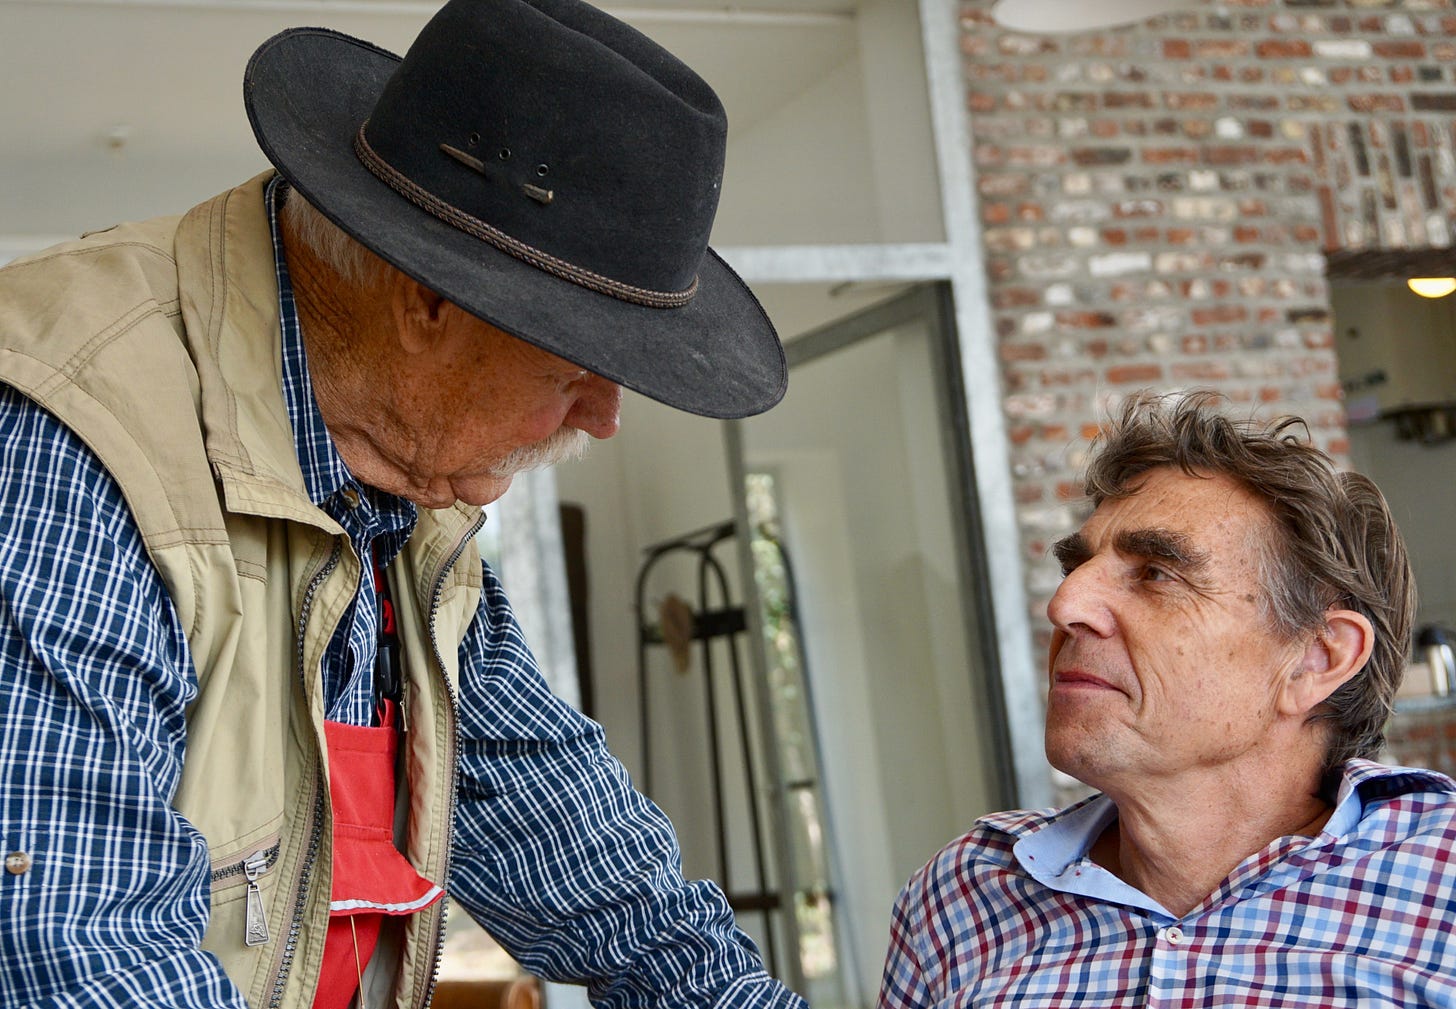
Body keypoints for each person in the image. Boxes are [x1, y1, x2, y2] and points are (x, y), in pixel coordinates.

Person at [0, 2, 802, 1008]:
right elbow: (69, 950)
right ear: (430, 301)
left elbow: (607, 884)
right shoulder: (73, 430)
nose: (604, 418)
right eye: (583, 367)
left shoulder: (397, 495)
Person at [879, 391, 1456, 1008]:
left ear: (1317, 659)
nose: (1065, 606)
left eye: (1157, 573)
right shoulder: (960, 899)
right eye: (1077, 568)